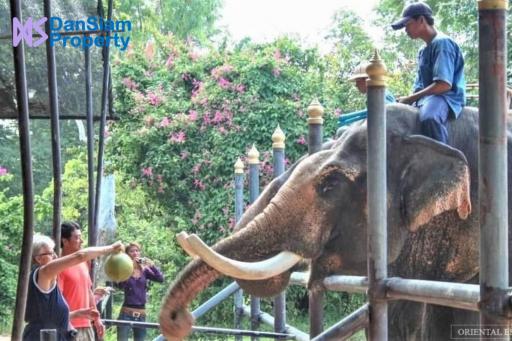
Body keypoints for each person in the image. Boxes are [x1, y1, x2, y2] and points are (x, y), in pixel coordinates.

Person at [391, 1, 465, 144]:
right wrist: (406, 100)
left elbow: (443, 85)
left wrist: (412, 98)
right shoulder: (423, 51)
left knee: (430, 117)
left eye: (407, 24)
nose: (405, 30)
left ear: (421, 20)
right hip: (428, 98)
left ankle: (444, 161)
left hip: (445, 97)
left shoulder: (442, 43)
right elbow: (419, 84)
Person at [23, 233, 122, 340]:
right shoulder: (44, 272)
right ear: (38, 259)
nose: (55, 256)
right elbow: (80, 256)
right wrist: (110, 248)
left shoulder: (40, 278)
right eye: (51, 253)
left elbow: (46, 318)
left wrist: (77, 314)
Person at [58, 221, 106, 340]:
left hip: (86, 325)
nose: (82, 241)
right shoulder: (58, 267)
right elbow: (57, 299)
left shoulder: (83, 262)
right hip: (68, 327)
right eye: (77, 237)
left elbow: (88, 291)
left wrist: (96, 319)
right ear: (65, 241)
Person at [116, 242, 164, 341]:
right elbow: (120, 285)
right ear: (127, 254)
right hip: (126, 313)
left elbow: (160, 279)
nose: (135, 253)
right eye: (132, 251)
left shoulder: (145, 270)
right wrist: (130, 268)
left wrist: (152, 265)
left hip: (141, 314)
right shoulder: (125, 269)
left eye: (137, 251)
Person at [336, 62, 396, 137]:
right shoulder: (372, 95)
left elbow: (384, 111)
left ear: (366, 80)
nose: (356, 85)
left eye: (358, 81)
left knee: (342, 131)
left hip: (384, 132)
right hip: (378, 130)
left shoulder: (380, 94)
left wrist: (346, 117)